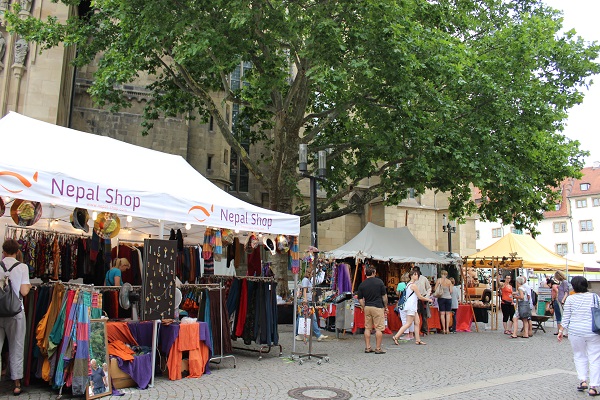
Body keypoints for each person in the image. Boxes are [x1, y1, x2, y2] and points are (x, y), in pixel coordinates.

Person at [557, 276, 600, 396]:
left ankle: (583, 380)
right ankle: (594, 387)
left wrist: (561, 331)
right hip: (593, 331)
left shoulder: (570, 299)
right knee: (595, 357)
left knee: (579, 355)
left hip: (576, 331)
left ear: (574, 286)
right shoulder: (595, 297)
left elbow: (566, 317)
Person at [0, 239, 31, 396]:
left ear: (3, 251)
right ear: (17, 251)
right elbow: (24, 291)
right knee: (16, 346)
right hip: (16, 312)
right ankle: (17, 384)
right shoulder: (22, 267)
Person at [392, 270, 434, 345]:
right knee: (408, 323)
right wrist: (428, 299)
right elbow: (420, 296)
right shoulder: (413, 285)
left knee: (417, 322)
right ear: (411, 276)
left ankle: (418, 340)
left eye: (417, 274)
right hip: (411, 306)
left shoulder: (409, 284)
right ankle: (396, 336)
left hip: (412, 306)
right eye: (415, 274)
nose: (417, 276)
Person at [357, 266, 388, 354]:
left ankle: (368, 347)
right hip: (378, 306)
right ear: (374, 272)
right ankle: (378, 348)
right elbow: (384, 297)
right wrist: (385, 307)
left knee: (367, 328)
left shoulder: (362, 284)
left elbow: (360, 299)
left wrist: (363, 306)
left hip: (368, 307)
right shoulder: (379, 282)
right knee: (379, 328)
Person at [295, 267, 328, 342]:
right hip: (306, 301)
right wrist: (305, 300)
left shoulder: (308, 280)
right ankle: (316, 334)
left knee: (302, 317)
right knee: (306, 317)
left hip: (308, 300)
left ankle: (299, 334)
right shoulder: (305, 280)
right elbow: (304, 290)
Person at [395, 272, 414, 340]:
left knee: (404, 319)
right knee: (411, 320)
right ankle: (411, 334)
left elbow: (398, 293)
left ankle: (407, 334)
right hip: (411, 304)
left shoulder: (401, 284)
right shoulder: (411, 284)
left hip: (403, 304)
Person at [413, 266, 431, 336]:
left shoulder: (424, 279)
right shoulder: (412, 280)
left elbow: (429, 288)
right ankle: (415, 331)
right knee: (415, 315)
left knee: (424, 316)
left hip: (423, 298)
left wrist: (427, 296)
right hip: (415, 299)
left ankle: (424, 330)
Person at [554, 270, 569, 336]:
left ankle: (565, 332)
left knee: (563, 316)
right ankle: (564, 331)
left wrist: (563, 300)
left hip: (562, 301)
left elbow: (566, 292)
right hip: (560, 300)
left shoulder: (564, 282)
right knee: (562, 316)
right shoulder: (562, 282)